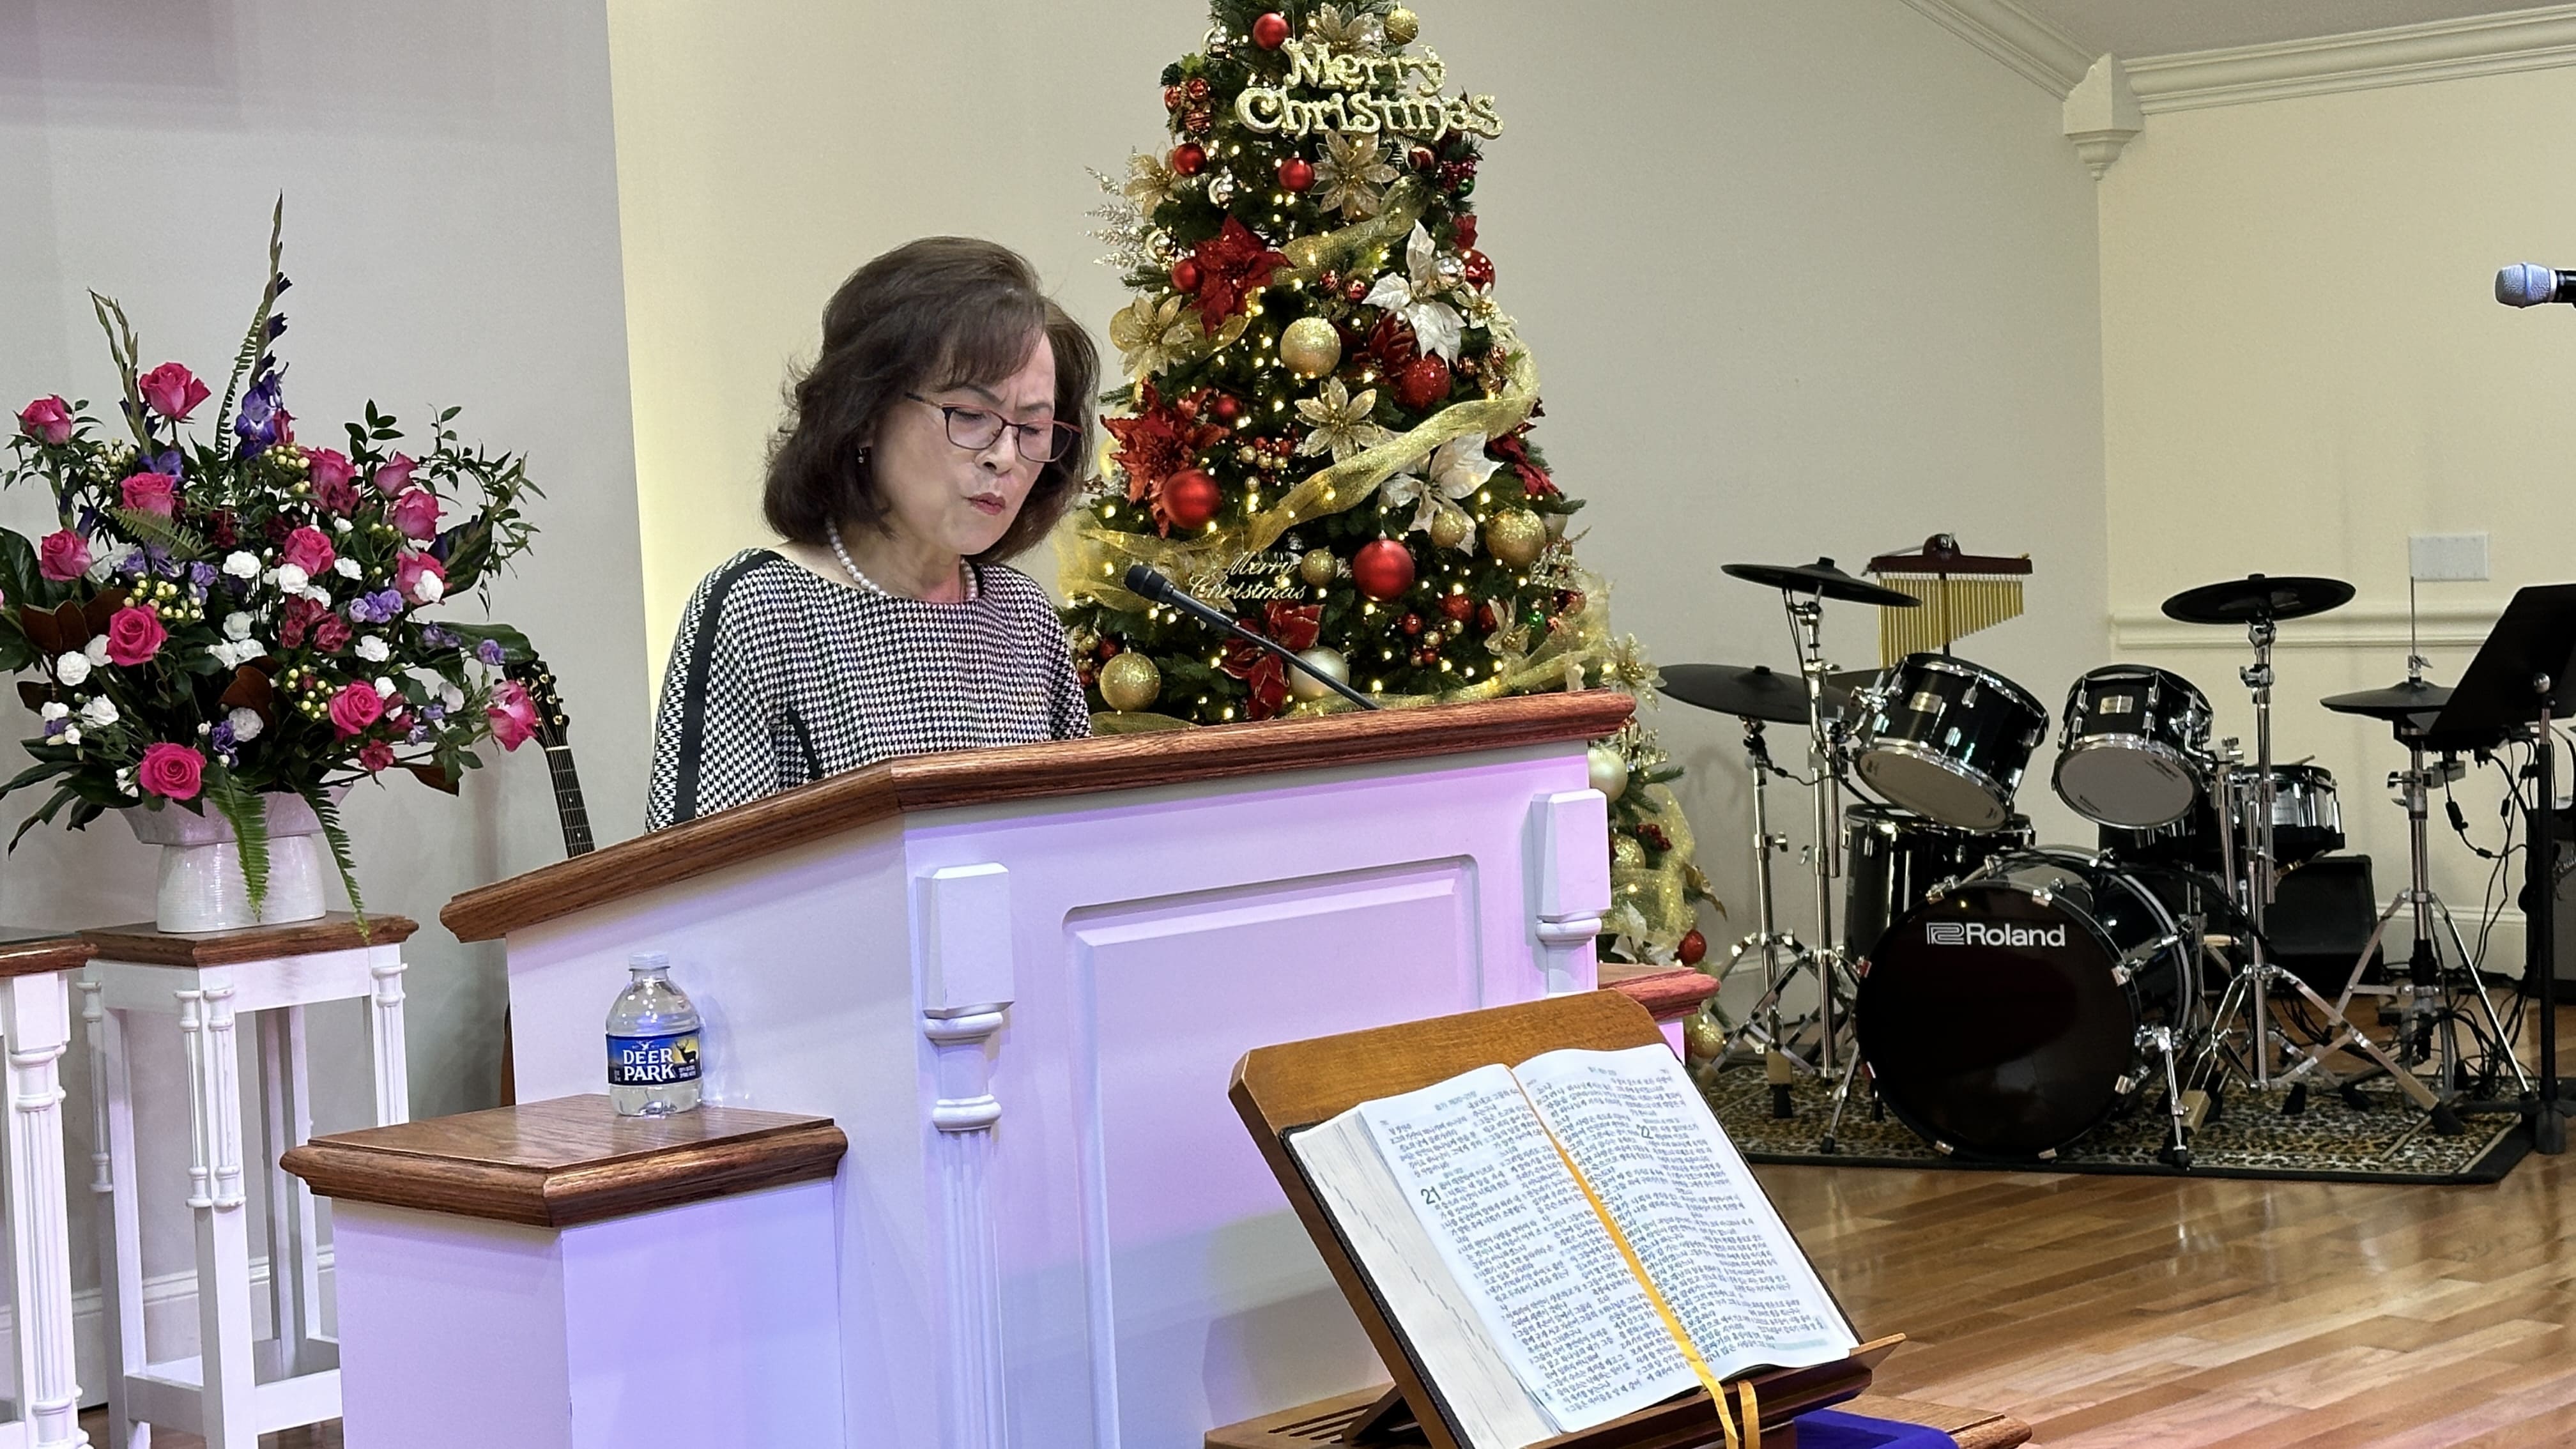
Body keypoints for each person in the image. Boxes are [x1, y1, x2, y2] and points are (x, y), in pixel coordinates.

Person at [647, 238, 1097, 829]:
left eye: (1032, 429)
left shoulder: (1024, 617)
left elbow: (1074, 842)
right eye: (970, 415)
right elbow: (699, 869)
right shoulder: (759, 610)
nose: (1004, 456)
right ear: (864, 415)